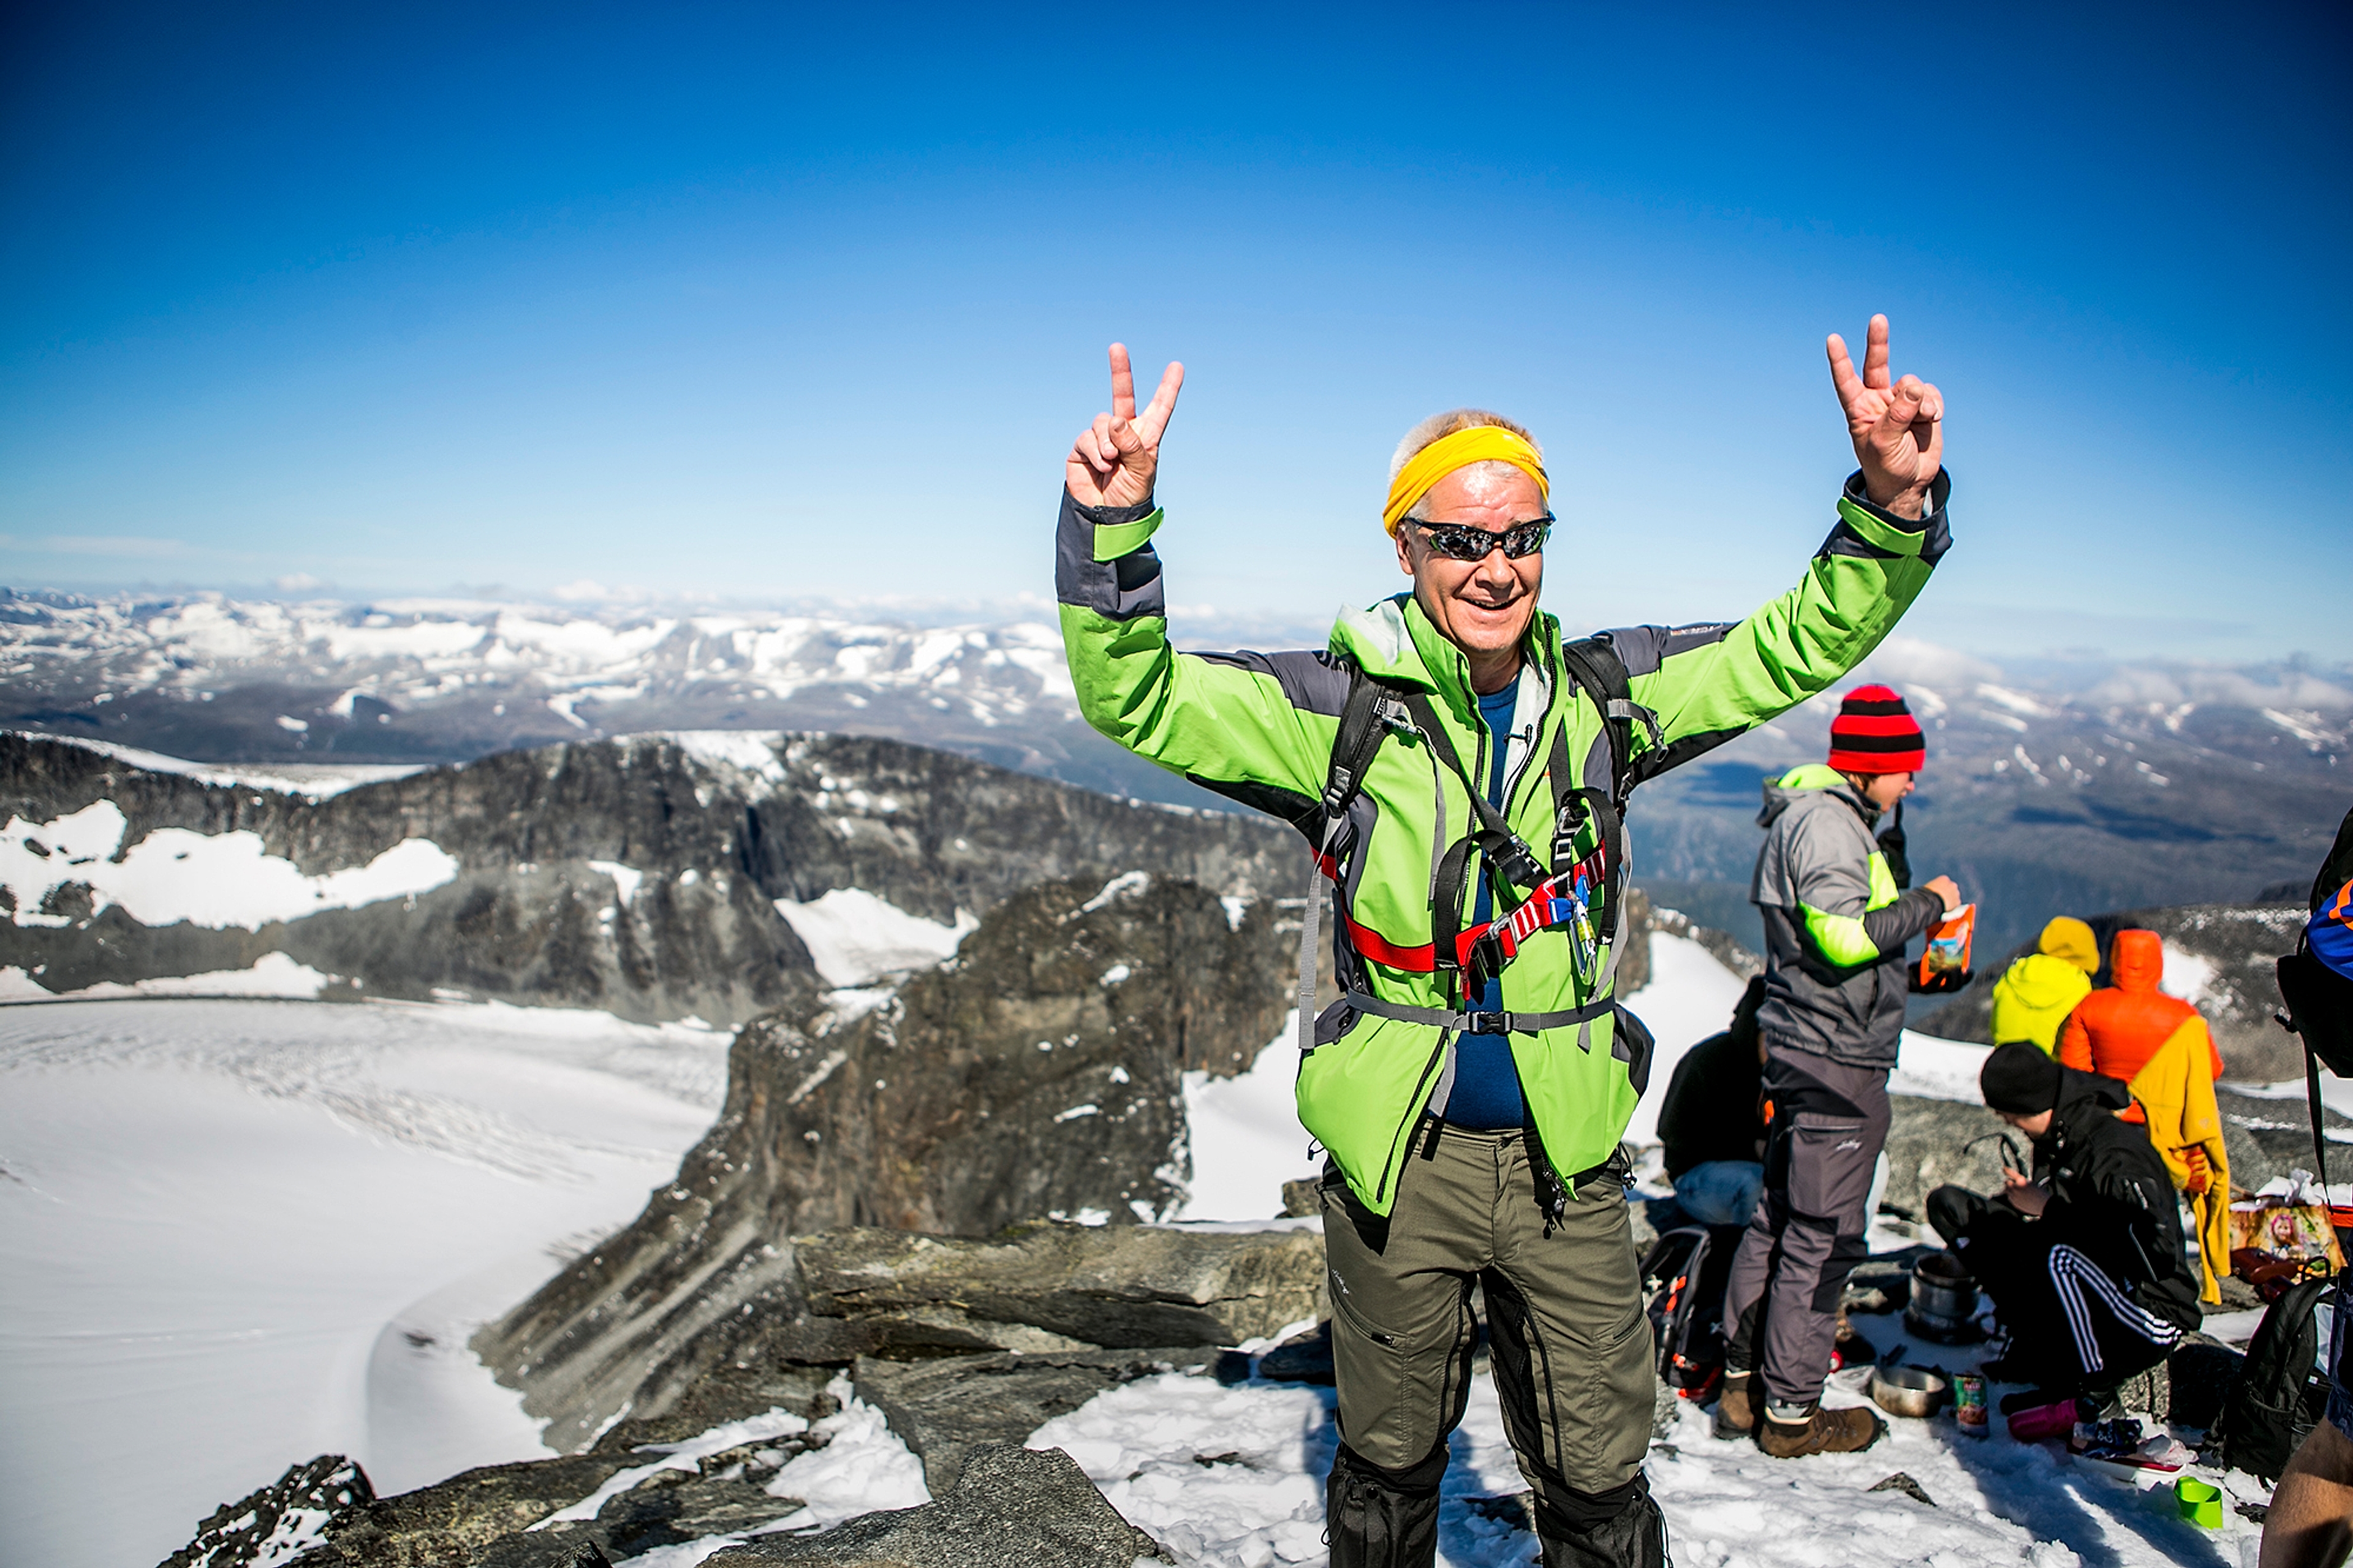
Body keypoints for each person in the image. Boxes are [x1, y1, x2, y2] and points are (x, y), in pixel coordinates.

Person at [1056, 316, 1951, 1568]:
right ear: (1406, 543)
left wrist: (1888, 509)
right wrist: (1110, 529)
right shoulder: (1338, 707)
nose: (1496, 565)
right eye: (1461, 538)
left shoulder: (1604, 695)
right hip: (1398, 1158)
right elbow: (1135, 693)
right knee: (1387, 1451)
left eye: (1521, 535)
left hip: (1565, 1154)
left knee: (1599, 1455)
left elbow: (1791, 644)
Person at [1716, 686, 1963, 1457]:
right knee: (1822, 1238)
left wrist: (1915, 976)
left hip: (1807, 1042)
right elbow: (1843, 939)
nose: (1912, 785)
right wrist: (1931, 903)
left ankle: (1739, 1384)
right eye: (1906, 770)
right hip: (1834, 1059)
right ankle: (1791, 1414)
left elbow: (1841, 954)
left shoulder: (1825, 817)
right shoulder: (1827, 824)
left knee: (1781, 1218)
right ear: (1871, 765)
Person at [1924, 1043, 2199, 1402]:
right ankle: (2035, 1344)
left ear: (2035, 1105)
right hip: (2081, 1270)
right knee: (1955, 1209)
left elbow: (2149, 1252)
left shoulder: (2113, 1152)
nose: (2013, 1127)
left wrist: (2049, 1208)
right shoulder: (2057, 1134)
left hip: (2148, 1310)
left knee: (2057, 1253)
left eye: (2013, 1118)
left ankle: (2088, 1390)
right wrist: (2022, 1203)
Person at [1659, 976, 1769, 1228]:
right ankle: (1745, 1262)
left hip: (1754, 1173)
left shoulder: (1782, 1073)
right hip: (1695, 1177)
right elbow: (1672, 1132)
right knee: (1757, 1183)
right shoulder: (1710, 1061)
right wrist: (1754, 1147)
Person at [1988, 915, 2100, 1051]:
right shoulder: (2085, 992)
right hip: (2056, 1070)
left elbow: (1995, 1028)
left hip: (2005, 1066)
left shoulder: (2011, 977)